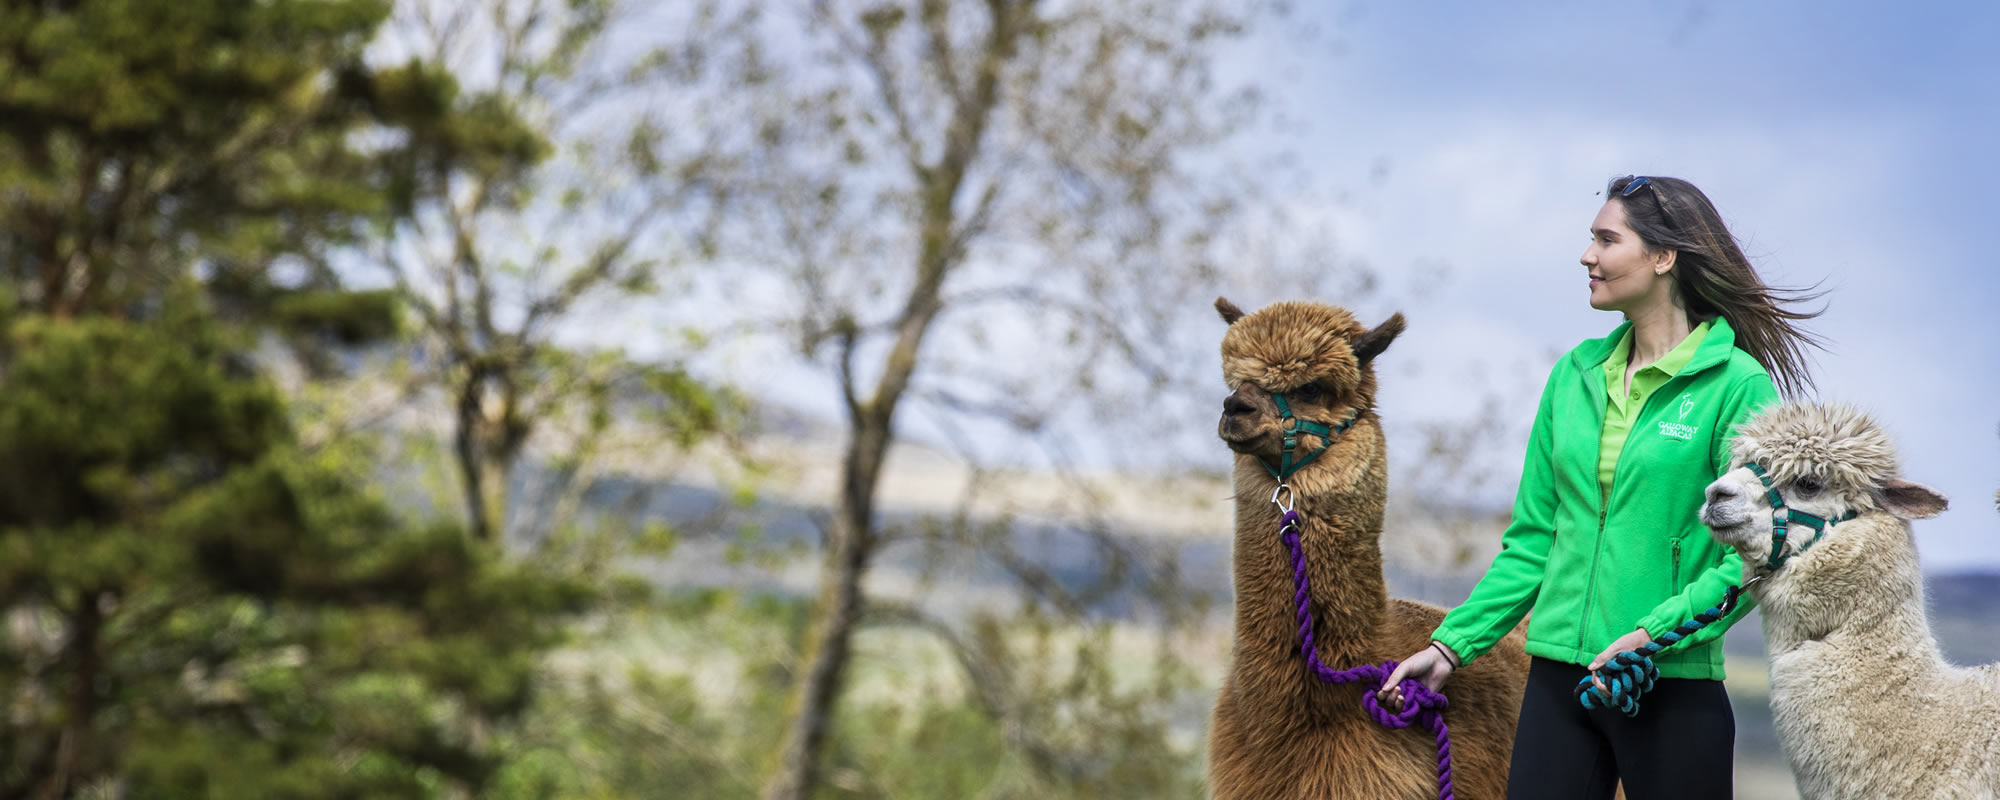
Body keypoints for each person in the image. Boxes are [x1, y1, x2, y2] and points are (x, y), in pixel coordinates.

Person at [1378, 175, 1824, 799]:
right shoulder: (1574, 375)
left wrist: (1655, 634)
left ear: (1663, 257)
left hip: (1669, 684)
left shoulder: (1736, 386)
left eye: (1606, 240)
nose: (1588, 256)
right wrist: (1450, 648)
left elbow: (1756, 552)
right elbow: (1534, 540)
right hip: (1560, 685)